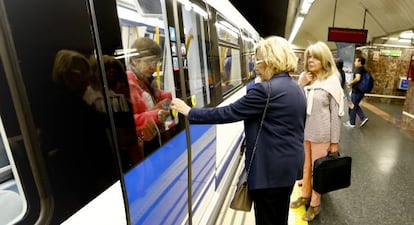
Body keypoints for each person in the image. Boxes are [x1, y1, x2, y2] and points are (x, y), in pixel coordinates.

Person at [171, 36, 306, 225]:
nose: (255, 67)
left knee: (268, 219)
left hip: (269, 171)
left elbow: (229, 112)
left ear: (270, 61)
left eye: (257, 61)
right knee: (278, 217)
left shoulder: (265, 90)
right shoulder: (296, 88)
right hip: (288, 168)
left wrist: (190, 112)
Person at [291, 41, 344, 221]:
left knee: (318, 171)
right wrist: (301, 83)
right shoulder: (308, 80)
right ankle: (305, 195)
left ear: (324, 60)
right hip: (305, 132)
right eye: (308, 57)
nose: (310, 60)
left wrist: (334, 141)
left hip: (322, 135)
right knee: (305, 167)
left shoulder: (332, 82)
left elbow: (336, 115)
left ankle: (315, 205)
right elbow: (295, 103)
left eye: (315, 57)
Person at [127, 37, 172, 157]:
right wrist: (155, 115)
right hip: (144, 149)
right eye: (149, 61)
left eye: (156, 62)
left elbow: (156, 98)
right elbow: (126, 121)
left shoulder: (146, 80)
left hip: (155, 140)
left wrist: (167, 98)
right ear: (135, 60)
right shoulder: (128, 84)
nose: (153, 67)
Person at [344, 56, 369, 128]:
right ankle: (363, 118)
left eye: (356, 61)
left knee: (352, 106)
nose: (355, 62)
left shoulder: (358, 69)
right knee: (355, 105)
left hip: (357, 91)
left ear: (360, 62)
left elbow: (357, 79)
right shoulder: (364, 69)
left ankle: (352, 123)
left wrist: (350, 83)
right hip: (361, 91)